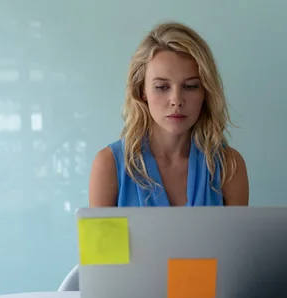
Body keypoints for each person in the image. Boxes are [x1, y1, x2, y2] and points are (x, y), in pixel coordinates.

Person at [88, 21, 249, 207]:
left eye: (190, 86)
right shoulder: (108, 165)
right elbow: (101, 238)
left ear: (205, 91)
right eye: (162, 87)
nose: (176, 100)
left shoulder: (229, 166)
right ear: (142, 91)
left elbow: (237, 237)